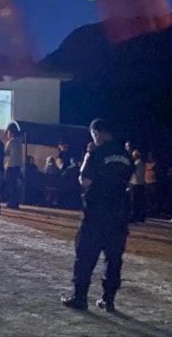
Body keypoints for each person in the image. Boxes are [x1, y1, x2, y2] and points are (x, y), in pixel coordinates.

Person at [62, 119, 133, 313]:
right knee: (114, 259)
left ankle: (80, 297)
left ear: (97, 133)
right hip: (119, 214)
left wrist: (87, 156)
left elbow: (84, 181)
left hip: (96, 212)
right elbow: (129, 181)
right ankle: (108, 300)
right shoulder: (126, 155)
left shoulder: (97, 153)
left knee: (85, 256)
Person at [4, 122, 24, 210]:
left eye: (8, 132)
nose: (7, 134)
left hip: (10, 166)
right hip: (17, 166)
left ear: (11, 133)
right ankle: (15, 202)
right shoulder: (19, 142)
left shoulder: (10, 142)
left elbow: (5, 153)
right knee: (15, 185)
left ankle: (11, 202)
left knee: (10, 185)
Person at [129, 150, 146, 223]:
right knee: (138, 201)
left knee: (135, 201)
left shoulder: (138, 163)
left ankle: (135, 216)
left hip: (136, 183)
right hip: (139, 183)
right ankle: (138, 216)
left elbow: (137, 174)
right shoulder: (140, 163)